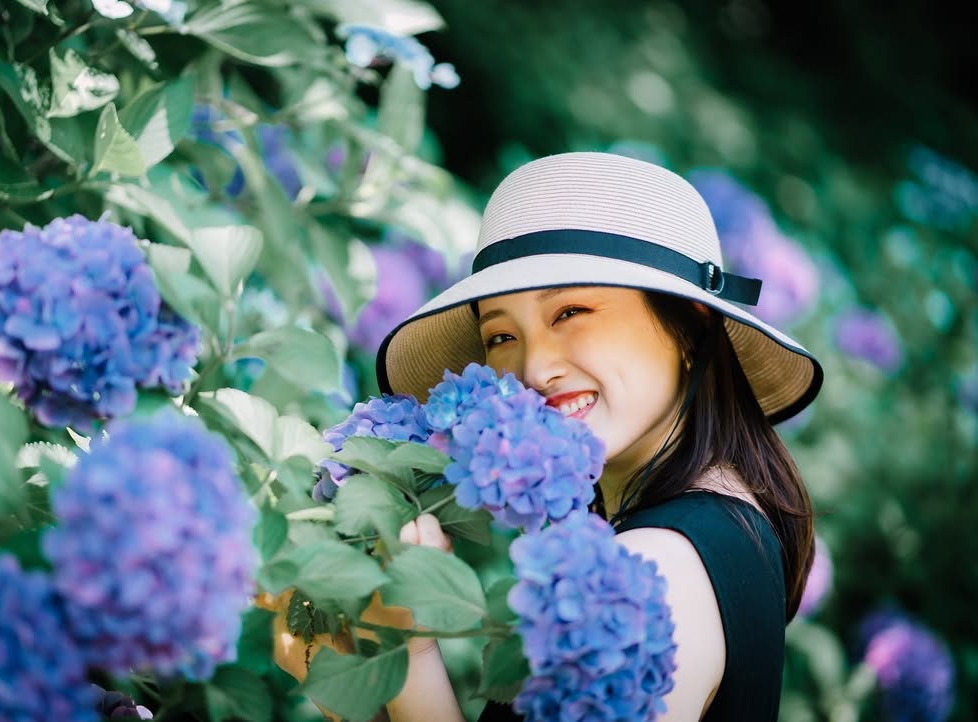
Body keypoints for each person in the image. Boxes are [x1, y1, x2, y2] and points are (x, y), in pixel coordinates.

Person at [271, 151, 824, 721]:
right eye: (501, 336)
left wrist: (409, 650)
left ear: (689, 327)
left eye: (570, 313)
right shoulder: (713, 534)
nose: (534, 370)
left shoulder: (653, 567)